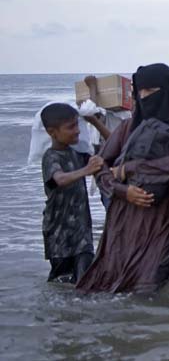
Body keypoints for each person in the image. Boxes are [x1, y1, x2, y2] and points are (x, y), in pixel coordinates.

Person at [78, 63, 169, 294]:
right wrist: (122, 190)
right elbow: (100, 166)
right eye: (141, 92)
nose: (145, 97)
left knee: (150, 282)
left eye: (151, 92)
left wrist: (130, 168)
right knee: (116, 283)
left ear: (168, 92)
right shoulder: (128, 128)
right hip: (124, 221)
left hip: (163, 220)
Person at [40, 103, 104, 283]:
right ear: (52, 132)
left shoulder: (78, 154)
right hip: (59, 233)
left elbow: (111, 147)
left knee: (85, 281)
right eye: (70, 127)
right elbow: (58, 179)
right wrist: (86, 170)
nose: (77, 131)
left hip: (82, 231)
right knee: (61, 283)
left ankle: (84, 311)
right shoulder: (51, 156)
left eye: (77, 125)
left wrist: (95, 122)